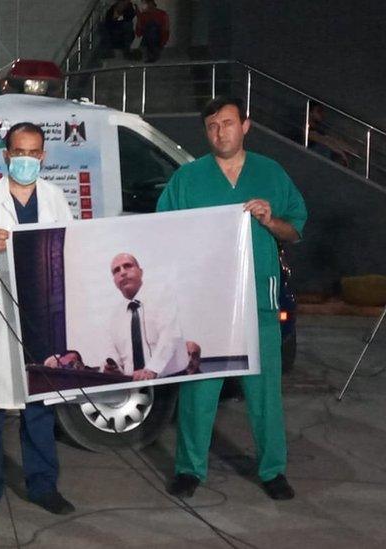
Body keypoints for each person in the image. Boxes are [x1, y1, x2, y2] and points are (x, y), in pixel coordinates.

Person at [157, 96, 307, 501]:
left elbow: (294, 230)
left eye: (227, 122)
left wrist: (269, 219)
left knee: (264, 394)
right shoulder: (189, 179)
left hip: (259, 301)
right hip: (206, 304)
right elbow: (163, 232)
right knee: (198, 393)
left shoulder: (270, 174)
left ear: (245, 125)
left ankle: (273, 470)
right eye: (212, 126)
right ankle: (189, 469)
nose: (220, 131)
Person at [0, 122, 76, 519]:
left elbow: (69, 249)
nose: (26, 160)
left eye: (33, 153)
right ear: (6, 155)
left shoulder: (56, 198)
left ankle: (44, 485)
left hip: (41, 314)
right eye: (19, 152)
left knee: (40, 406)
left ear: (42, 156)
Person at [103, 252, 194, 380]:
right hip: (133, 385)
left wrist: (152, 369)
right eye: (116, 270)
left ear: (140, 272)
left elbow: (170, 335)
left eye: (128, 266)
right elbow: (112, 350)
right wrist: (113, 366)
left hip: (171, 382)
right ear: (114, 281)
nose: (122, 272)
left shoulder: (162, 295)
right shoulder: (115, 316)